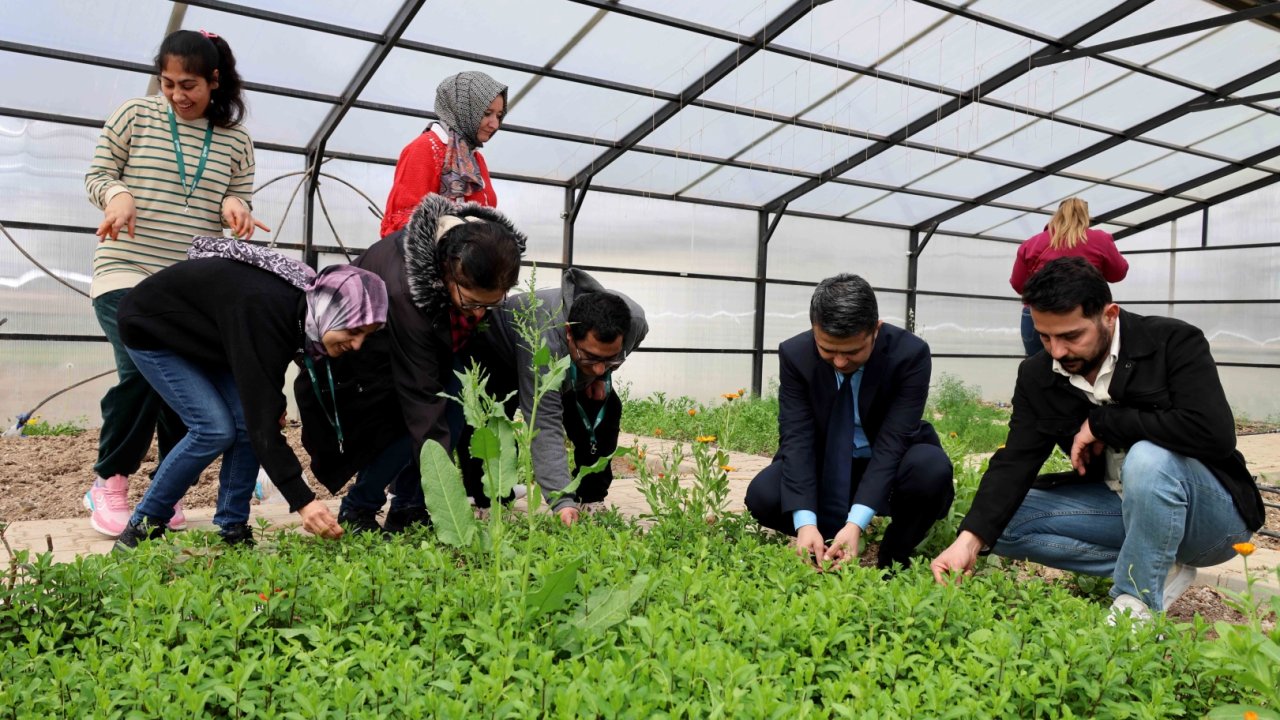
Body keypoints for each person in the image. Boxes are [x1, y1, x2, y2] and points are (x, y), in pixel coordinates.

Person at [930, 257, 1263, 623]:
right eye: (1045, 336)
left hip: (1211, 521)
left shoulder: (1172, 341)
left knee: (1149, 458)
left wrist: (1104, 423)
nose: (1057, 352)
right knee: (996, 524)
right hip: (1121, 506)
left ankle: (1134, 604)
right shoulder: (1037, 375)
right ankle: (1157, 569)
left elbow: (1213, 433)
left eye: (1071, 336)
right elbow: (1016, 461)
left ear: (1109, 315)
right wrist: (968, 542)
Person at [83, 29, 270, 537]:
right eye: (167, 84)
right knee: (142, 371)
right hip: (124, 271)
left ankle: (167, 490)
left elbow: (239, 198)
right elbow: (97, 175)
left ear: (214, 81)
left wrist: (237, 209)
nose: (176, 95)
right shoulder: (134, 116)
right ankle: (110, 481)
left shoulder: (236, 141)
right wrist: (116, 195)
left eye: (188, 85)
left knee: (179, 388)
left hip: (186, 289)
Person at [112, 238, 388, 549]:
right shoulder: (267, 309)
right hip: (154, 329)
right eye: (353, 331)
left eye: (366, 335)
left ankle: (232, 530)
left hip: (211, 338)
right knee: (213, 429)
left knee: (245, 421)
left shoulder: (303, 310)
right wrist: (304, 502)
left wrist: (272, 404)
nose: (357, 344)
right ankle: (142, 526)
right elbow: (264, 427)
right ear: (330, 310)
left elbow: (263, 370)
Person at [296, 194, 526, 534]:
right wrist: (448, 504)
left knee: (452, 408)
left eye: (489, 306)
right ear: (449, 269)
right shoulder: (406, 291)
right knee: (413, 425)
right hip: (361, 359)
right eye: (472, 302)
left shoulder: (470, 252)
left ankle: (408, 507)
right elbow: (422, 402)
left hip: (414, 349)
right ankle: (361, 508)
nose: (478, 314)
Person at [745, 274, 954, 570]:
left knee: (930, 471)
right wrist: (804, 522)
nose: (840, 362)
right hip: (826, 459)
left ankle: (892, 557)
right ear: (814, 329)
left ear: (876, 330)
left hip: (887, 459)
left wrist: (856, 523)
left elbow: (893, 443)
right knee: (764, 494)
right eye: (828, 350)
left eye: (853, 352)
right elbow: (798, 437)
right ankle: (821, 541)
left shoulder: (909, 355)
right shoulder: (795, 355)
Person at [473, 269, 647, 524]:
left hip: (564, 358)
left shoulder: (635, 322)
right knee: (493, 421)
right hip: (501, 351)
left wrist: (601, 377)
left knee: (606, 409)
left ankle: (591, 497)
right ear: (569, 334)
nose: (600, 366)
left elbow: (606, 359)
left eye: (609, 358)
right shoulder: (546, 336)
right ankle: (489, 499)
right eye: (592, 357)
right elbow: (544, 422)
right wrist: (561, 501)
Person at [379, 71, 507, 237]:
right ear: (462, 110)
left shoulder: (474, 158)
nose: (494, 124)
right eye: (486, 113)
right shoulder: (425, 148)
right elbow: (401, 224)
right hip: (434, 261)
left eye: (499, 115)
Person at [1011, 198, 1127, 356]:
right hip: (1086, 315)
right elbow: (1118, 273)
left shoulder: (1033, 243)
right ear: (1086, 217)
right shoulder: (1100, 240)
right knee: (1087, 370)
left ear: (1057, 215)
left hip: (1040, 317)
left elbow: (1019, 284)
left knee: (1038, 372)